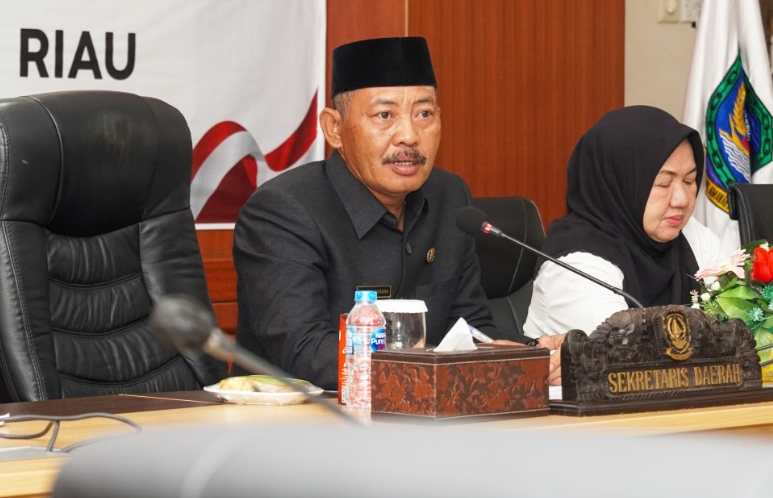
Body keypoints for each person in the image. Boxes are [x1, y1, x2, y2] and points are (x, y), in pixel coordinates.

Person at [234, 37, 556, 390]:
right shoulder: (283, 211)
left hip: (423, 421)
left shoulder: (450, 197)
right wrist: (444, 365)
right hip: (301, 426)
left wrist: (527, 354)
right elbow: (307, 353)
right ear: (334, 129)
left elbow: (470, 327)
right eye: (384, 115)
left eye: (424, 114)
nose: (409, 136)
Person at [524, 106, 725, 348]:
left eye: (690, 180)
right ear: (618, 184)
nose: (681, 200)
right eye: (663, 183)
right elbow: (628, 355)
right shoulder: (574, 264)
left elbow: (748, 326)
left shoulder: (692, 235)